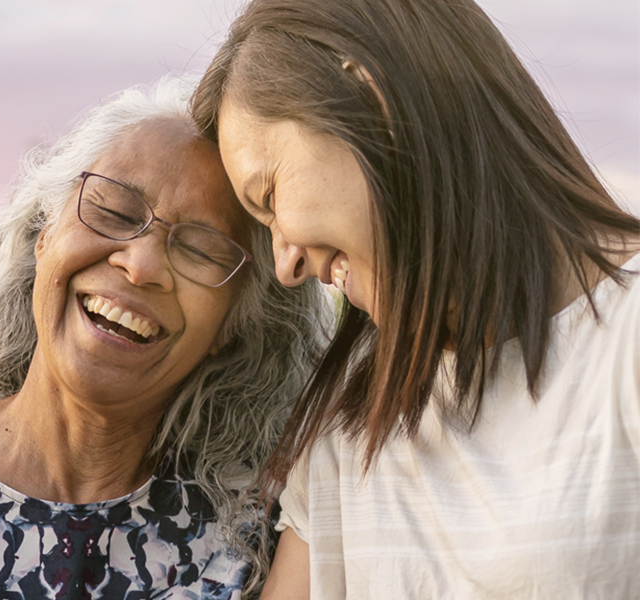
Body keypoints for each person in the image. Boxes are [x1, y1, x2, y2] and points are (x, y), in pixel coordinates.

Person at [190, 0, 640, 597]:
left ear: (371, 101)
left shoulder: (623, 342)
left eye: (270, 195)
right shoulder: (349, 413)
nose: (286, 263)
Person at [0, 76, 330, 599]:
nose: (141, 265)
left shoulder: (261, 545)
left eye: (201, 250)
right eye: (114, 212)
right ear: (45, 234)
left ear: (232, 326)